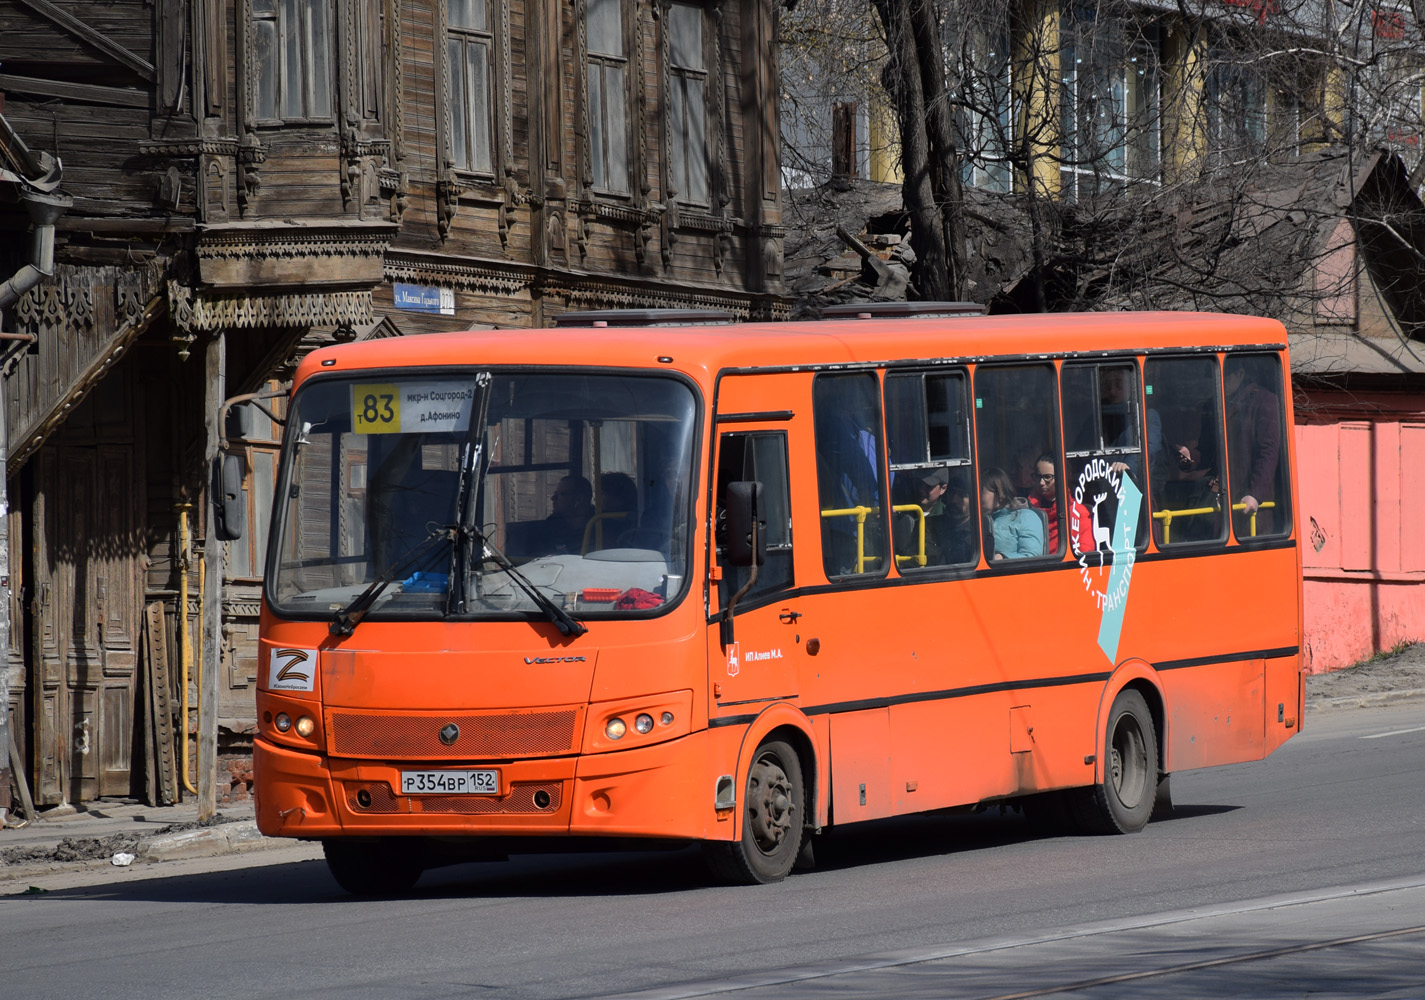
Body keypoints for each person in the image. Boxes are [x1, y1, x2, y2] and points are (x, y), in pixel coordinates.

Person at [982, 467, 1044, 560]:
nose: (977, 497)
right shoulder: (977, 521)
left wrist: (1002, 558)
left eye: (981, 492)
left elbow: (1032, 556)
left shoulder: (1026, 518)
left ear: (999, 493)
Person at [894, 467, 949, 566]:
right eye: (919, 484)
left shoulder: (946, 516)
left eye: (928, 486)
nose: (921, 489)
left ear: (943, 489)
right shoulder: (900, 510)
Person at [540, 475, 595, 555]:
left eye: (561, 494)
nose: (553, 498)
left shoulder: (601, 524)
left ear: (578, 500)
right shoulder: (552, 523)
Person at [1027, 454, 1060, 554]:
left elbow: (1084, 551)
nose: (1041, 482)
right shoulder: (1026, 510)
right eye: (1038, 476)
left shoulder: (1078, 513)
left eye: (1047, 477)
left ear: (1061, 477)